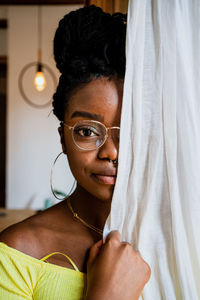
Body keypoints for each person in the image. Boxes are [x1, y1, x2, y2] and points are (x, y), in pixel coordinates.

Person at [0, 5, 150, 300]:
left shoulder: (179, 236)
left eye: (129, 133)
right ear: (63, 139)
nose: (111, 152)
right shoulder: (16, 254)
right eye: (87, 131)